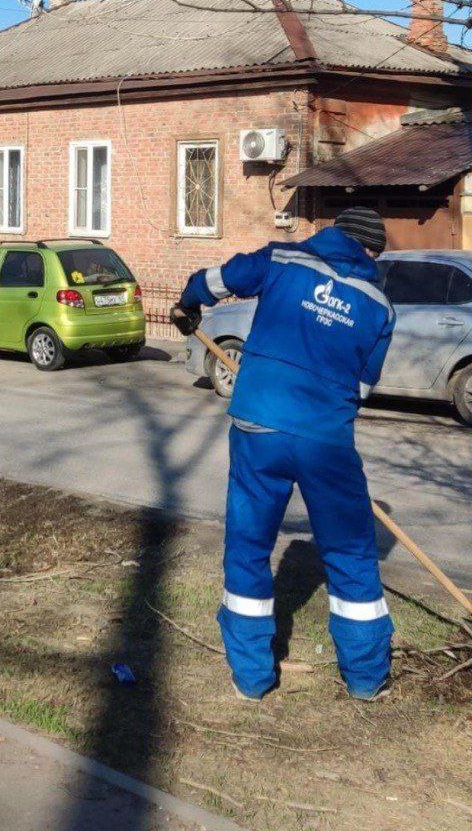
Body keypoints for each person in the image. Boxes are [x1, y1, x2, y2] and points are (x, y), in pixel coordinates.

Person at [174, 207, 395, 702]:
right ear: (368, 251)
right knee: (350, 551)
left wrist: (190, 300)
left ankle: (252, 678)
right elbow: (362, 387)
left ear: (333, 233)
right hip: (326, 442)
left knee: (249, 545)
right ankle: (365, 678)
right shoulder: (380, 305)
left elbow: (218, 278)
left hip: (260, 428)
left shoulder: (282, 259)